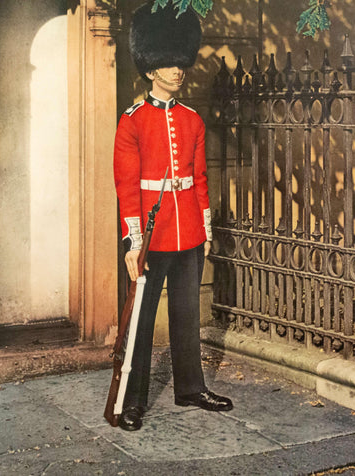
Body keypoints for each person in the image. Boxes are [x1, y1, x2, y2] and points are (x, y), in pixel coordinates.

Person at [113, 3, 233, 432]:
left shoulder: (192, 120)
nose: (178, 70)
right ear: (149, 69)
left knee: (187, 313)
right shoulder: (132, 122)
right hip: (151, 232)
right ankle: (132, 399)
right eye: (168, 61)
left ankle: (190, 388)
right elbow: (127, 187)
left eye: (181, 61)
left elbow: (199, 178)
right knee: (143, 320)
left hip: (187, 233)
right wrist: (132, 240)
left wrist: (205, 227)